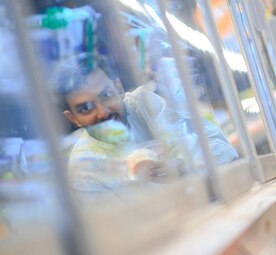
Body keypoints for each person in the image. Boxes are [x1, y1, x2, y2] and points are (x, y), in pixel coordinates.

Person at [54, 53, 239, 194]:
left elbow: (224, 152)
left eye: (106, 95)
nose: (102, 112)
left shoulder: (146, 106)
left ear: (119, 88)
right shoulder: (84, 172)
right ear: (73, 118)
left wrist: (184, 166)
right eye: (86, 108)